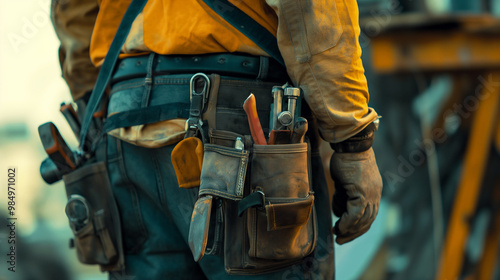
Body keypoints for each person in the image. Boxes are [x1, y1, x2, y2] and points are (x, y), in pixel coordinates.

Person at [51, 0, 383, 279]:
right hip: (236, 111)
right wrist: (352, 139)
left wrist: (96, 102)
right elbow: (312, 11)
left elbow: (74, 12)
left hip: (125, 122)